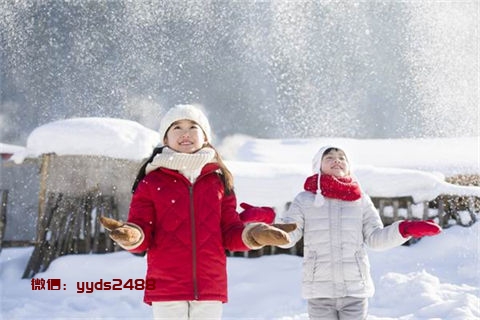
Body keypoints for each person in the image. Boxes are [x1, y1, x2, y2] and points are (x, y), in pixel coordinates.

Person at [100, 104, 295, 320]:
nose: (185, 133)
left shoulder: (219, 181)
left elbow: (229, 231)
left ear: (205, 137)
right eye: (176, 127)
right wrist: (132, 235)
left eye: (193, 127)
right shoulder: (151, 182)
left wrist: (255, 235)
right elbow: (142, 229)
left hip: (210, 284)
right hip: (167, 285)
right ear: (165, 139)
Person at [279, 145, 442, 320]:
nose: (337, 160)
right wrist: (268, 231)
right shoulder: (304, 199)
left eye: (342, 157)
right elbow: (289, 235)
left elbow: (375, 238)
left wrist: (404, 230)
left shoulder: (361, 200)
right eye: (329, 158)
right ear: (318, 166)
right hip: (319, 292)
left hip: (354, 291)